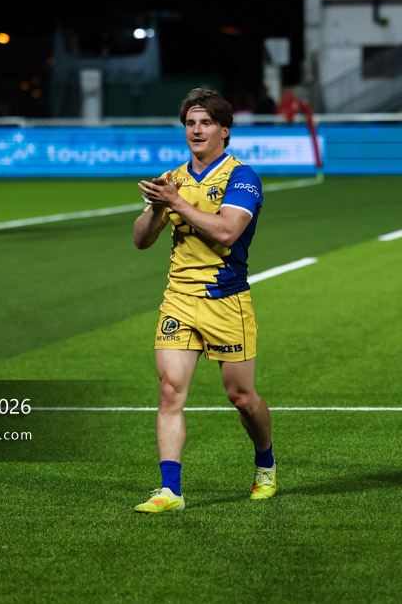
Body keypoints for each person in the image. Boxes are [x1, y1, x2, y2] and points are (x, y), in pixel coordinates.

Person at [131, 87, 275, 513]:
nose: (196, 130)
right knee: (169, 390)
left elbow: (228, 232)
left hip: (226, 300)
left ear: (223, 130)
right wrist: (158, 207)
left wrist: (175, 201)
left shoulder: (241, 177)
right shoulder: (171, 178)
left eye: (206, 122)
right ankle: (169, 490)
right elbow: (141, 241)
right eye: (190, 123)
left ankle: (265, 462)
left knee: (241, 397)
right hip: (178, 298)